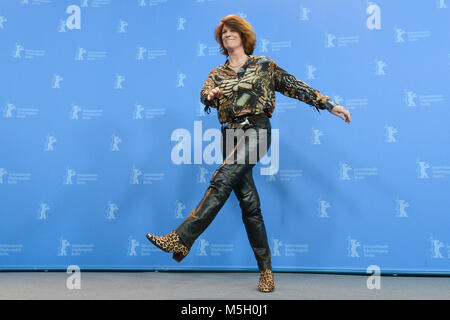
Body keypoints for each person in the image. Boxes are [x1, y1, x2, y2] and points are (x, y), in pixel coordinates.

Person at [146, 14, 351, 293]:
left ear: (243, 36)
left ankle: (181, 238)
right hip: (228, 135)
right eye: (223, 32)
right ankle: (266, 272)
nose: (227, 34)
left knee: (221, 180)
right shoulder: (216, 73)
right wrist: (211, 96)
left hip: (256, 131)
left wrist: (328, 104)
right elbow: (203, 94)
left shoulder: (264, 66)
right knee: (249, 205)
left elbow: (296, 86)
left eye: (232, 31)